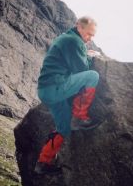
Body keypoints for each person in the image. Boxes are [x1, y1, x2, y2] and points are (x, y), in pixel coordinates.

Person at [35, 16, 101, 175]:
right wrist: (88, 56)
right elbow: (82, 70)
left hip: (45, 91)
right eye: (89, 34)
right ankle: (79, 116)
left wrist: (85, 52)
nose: (90, 38)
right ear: (79, 27)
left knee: (63, 128)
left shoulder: (66, 38)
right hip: (56, 87)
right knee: (93, 76)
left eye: (93, 36)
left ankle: (42, 163)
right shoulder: (74, 41)